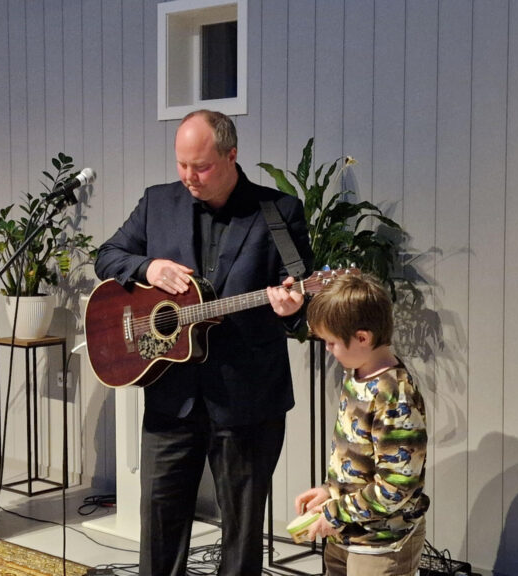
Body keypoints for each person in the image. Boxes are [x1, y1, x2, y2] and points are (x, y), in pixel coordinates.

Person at [94, 109, 314, 576]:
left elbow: (302, 296)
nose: (189, 176)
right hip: (170, 396)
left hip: (247, 400)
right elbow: (107, 255)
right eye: (181, 164)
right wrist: (148, 267)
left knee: (241, 535)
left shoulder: (278, 211)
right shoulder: (158, 202)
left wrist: (292, 307)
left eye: (202, 166)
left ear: (232, 155)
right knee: (159, 529)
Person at [295, 273, 429, 576]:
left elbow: (396, 486)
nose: (327, 349)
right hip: (346, 533)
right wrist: (330, 491)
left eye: (331, 342)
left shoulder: (394, 397)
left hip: (382, 544)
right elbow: (356, 458)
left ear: (362, 338)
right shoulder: (357, 375)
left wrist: (335, 512)